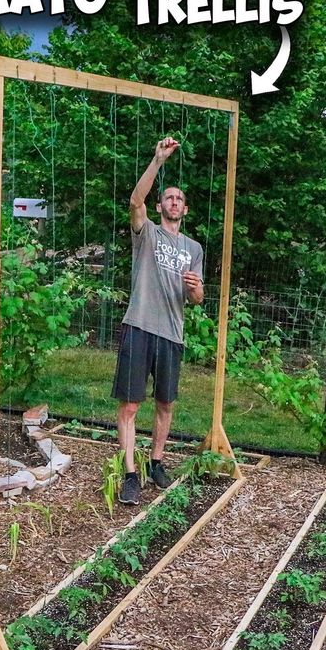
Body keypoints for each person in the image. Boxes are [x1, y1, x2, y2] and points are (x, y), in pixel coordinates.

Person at [112, 137, 204, 505]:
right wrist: (157, 161)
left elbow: (196, 299)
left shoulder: (193, 249)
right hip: (139, 325)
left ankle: (156, 463)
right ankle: (132, 475)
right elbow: (135, 202)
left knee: (165, 404)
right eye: (168, 197)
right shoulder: (146, 232)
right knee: (131, 405)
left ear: (185, 209)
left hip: (172, 333)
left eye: (179, 199)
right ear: (160, 205)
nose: (174, 202)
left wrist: (196, 289)